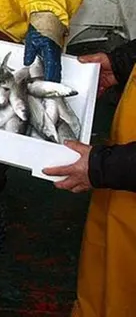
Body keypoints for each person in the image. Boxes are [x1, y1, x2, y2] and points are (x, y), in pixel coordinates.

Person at [41, 39, 136, 316]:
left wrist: (104, 167)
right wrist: (121, 64)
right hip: (119, 185)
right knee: (107, 268)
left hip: (120, 171)